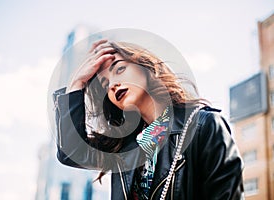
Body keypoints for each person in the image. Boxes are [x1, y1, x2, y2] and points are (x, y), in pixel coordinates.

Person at [53, 39, 244, 200]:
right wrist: (77, 84)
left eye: (119, 69)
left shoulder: (204, 126)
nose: (112, 84)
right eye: (105, 84)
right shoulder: (123, 150)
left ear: (147, 68)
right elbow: (71, 153)